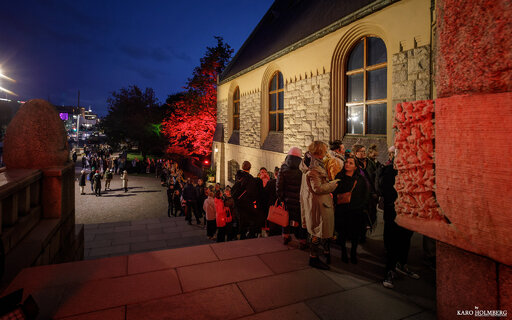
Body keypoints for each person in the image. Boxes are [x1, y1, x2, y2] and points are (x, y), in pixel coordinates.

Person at [378, 147, 420, 289]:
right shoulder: (389, 170)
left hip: (408, 211)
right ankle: (389, 270)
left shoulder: (412, 171)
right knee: (392, 242)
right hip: (394, 212)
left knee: (406, 238)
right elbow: (385, 190)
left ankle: (402, 263)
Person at [300, 141, 338, 270]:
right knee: (316, 230)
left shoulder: (310, 162)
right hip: (318, 204)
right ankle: (313, 258)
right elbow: (318, 188)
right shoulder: (313, 168)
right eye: (324, 150)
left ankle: (318, 255)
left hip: (316, 202)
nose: (326, 153)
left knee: (316, 229)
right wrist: (333, 184)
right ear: (319, 152)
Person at [333, 157, 369, 264]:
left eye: (350, 163)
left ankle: (353, 253)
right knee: (342, 233)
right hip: (342, 210)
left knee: (355, 234)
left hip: (355, 211)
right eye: (346, 162)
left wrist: (361, 206)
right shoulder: (339, 177)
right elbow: (334, 192)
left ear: (355, 166)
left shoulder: (360, 179)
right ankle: (343, 252)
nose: (347, 164)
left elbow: (365, 194)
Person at [277, 147, 307, 248]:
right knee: (302, 220)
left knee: (286, 218)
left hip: (287, 200)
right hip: (300, 200)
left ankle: (286, 236)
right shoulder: (303, 168)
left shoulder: (284, 167)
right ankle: (302, 240)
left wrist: (281, 198)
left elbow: (278, 186)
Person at [353, 144, 378, 242]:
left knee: (371, 214)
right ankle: (359, 234)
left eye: (364, 151)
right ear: (356, 153)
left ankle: (365, 231)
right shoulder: (353, 163)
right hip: (358, 194)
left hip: (370, 193)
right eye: (361, 151)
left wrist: (375, 191)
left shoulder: (370, 162)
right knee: (359, 215)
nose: (364, 153)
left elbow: (375, 176)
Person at [232, 161, 261, 239]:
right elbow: (252, 193)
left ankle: (238, 235)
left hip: (238, 204)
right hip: (246, 205)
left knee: (239, 221)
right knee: (246, 223)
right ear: (250, 168)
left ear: (242, 167)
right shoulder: (250, 179)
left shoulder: (238, 176)